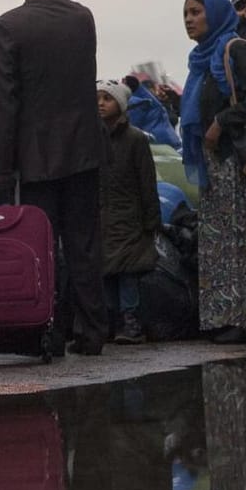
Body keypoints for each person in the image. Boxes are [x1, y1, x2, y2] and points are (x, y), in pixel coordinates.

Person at [0, 0, 109, 356]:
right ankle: (91, 332)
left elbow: (6, 102)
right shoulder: (82, 18)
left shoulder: (7, 27)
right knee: (84, 245)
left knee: (43, 247)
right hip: (85, 149)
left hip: (37, 158)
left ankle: (50, 332)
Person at [180, 0, 246, 344]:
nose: (190, 19)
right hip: (216, 166)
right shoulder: (199, 60)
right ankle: (227, 316)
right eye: (186, 14)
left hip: (241, 165)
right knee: (222, 245)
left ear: (215, 13)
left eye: (196, 12)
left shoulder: (234, 48)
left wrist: (221, 121)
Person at [96, 80, 161, 345]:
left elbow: (147, 182)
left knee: (127, 273)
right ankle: (111, 321)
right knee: (106, 272)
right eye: (97, 98)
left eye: (107, 99)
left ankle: (130, 321)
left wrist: (151, 220)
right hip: (101, 216)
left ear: (121, 105)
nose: (100, 103)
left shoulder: (135, 139)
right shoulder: (91, 138)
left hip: (129, 217)